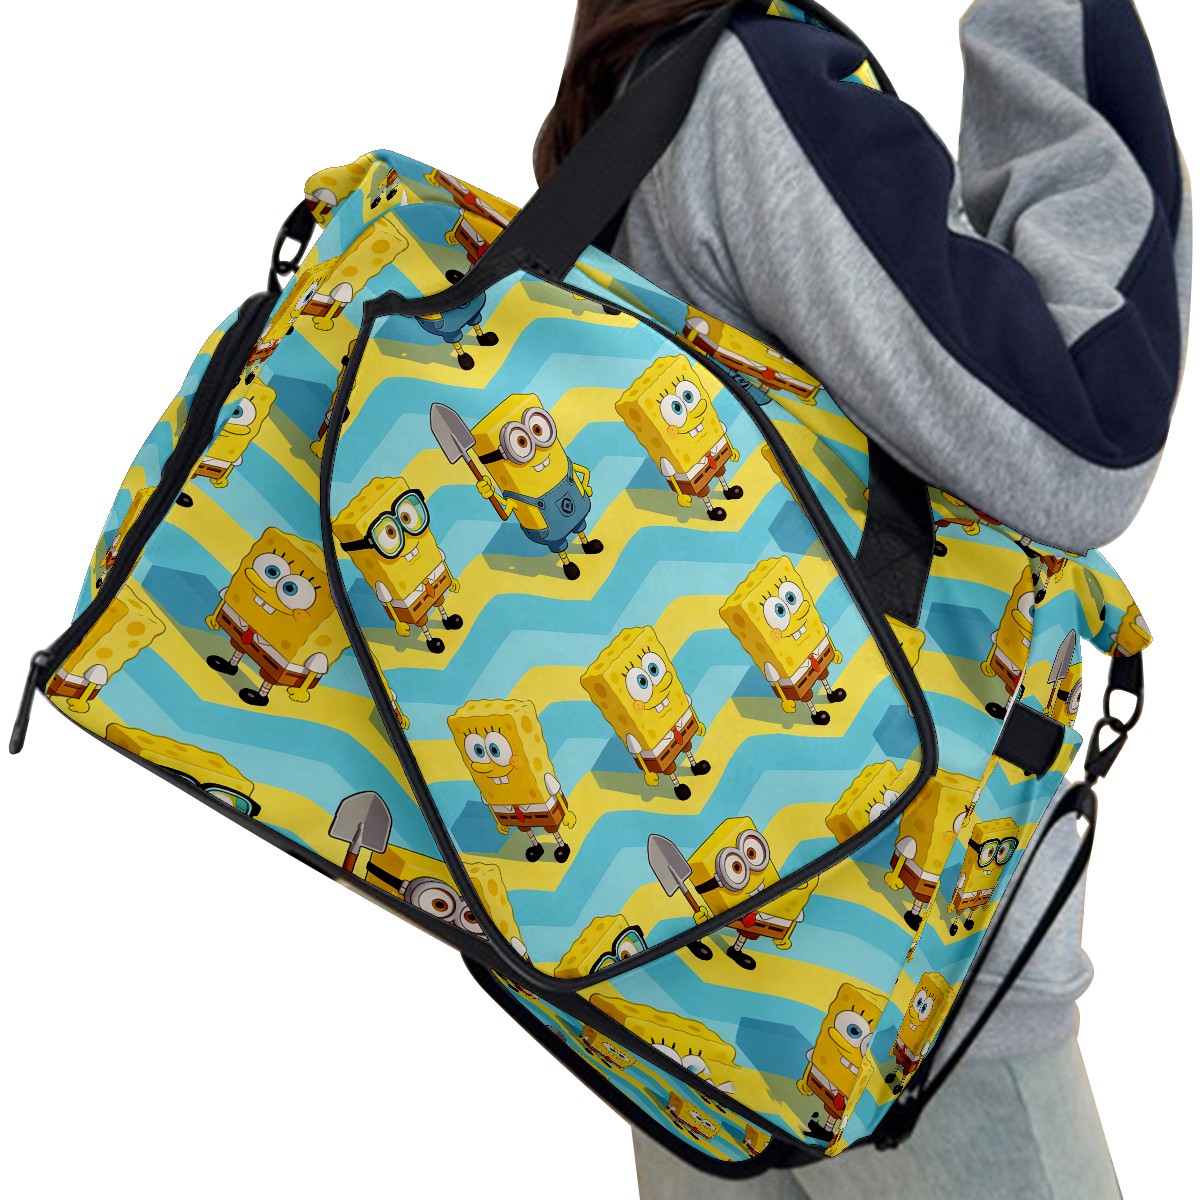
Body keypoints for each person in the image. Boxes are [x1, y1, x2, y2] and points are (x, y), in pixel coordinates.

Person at [534, 2, 1190, 1196]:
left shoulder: (626, 122)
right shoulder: (757, 90)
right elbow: (1086, 433)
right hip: (903, 996)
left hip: (675, 981)